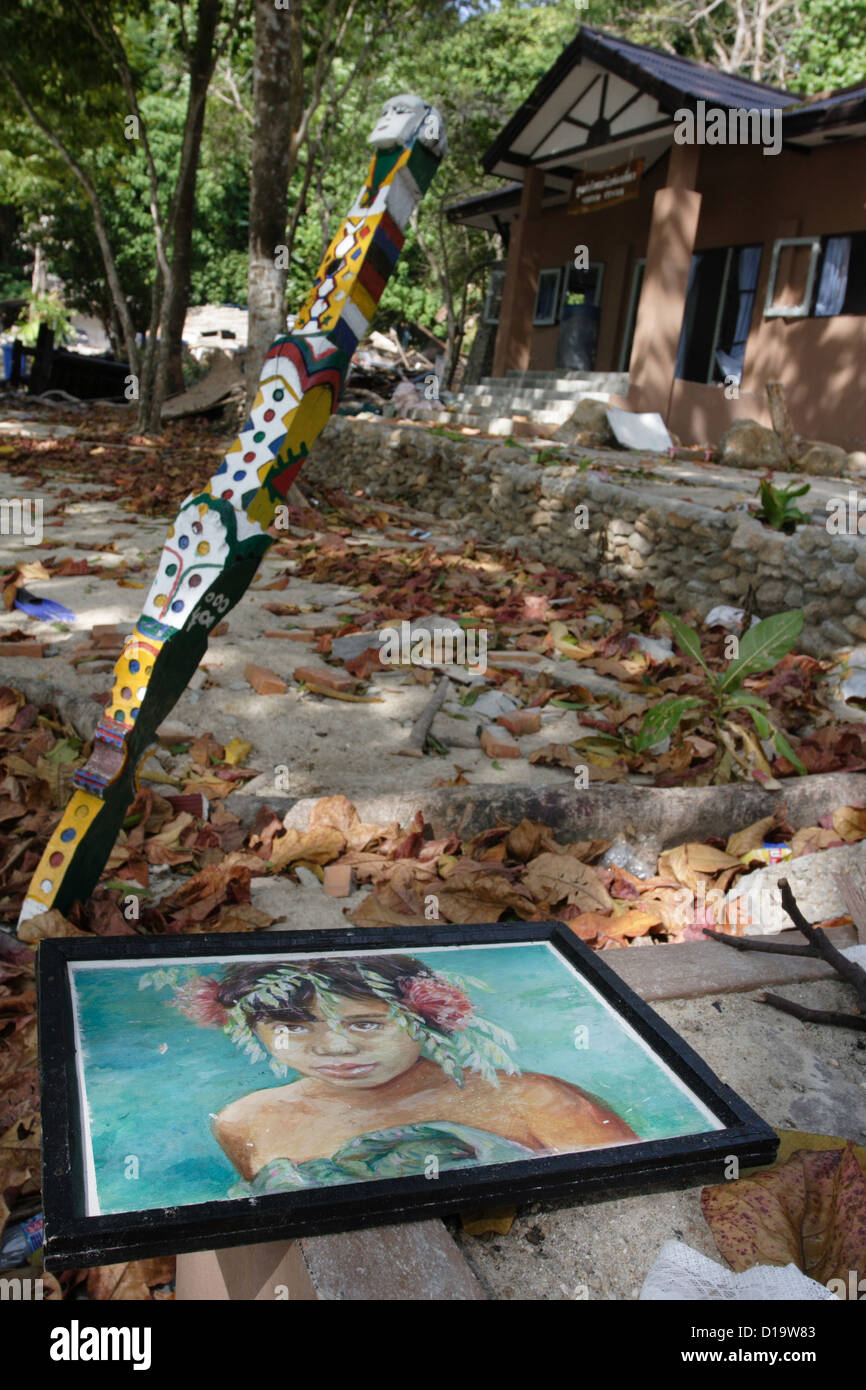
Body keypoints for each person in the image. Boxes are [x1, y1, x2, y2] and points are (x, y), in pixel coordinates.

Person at [162, 954, 637, 1193]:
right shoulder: (244, 1121)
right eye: (291, 1027)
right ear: (253, 1030)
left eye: (367, 1023)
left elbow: (626, 1186)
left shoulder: (534, 1101)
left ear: (428, 1015)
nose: (335, 1047)